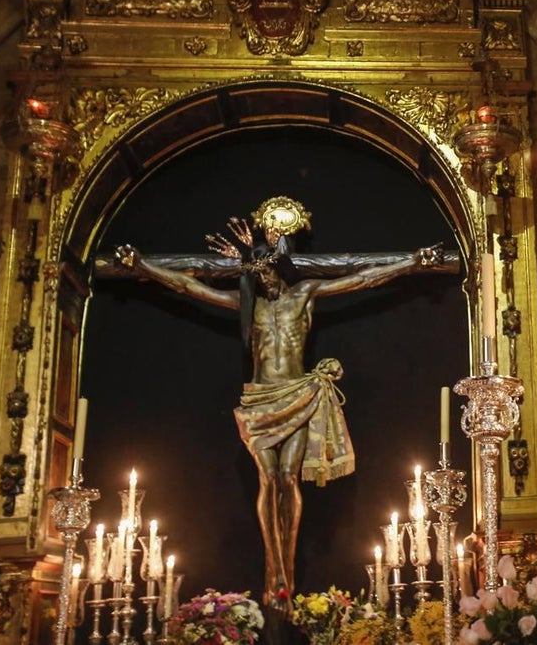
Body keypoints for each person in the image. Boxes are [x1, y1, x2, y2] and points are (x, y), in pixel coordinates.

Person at [115, 196, 445, 610]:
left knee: (288, 477)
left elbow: (362, 280)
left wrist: (412, 263)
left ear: (280, 266)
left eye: (268, 270)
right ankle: (275, 570)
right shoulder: (247, 308)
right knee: (268, 481)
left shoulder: (303, 295)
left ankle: (283, 573)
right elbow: (189, 286)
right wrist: (142, 266)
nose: (264, 278)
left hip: (297, 394)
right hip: (259, 401)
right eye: (257, 273)